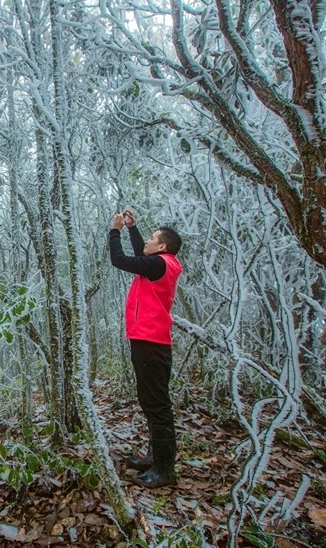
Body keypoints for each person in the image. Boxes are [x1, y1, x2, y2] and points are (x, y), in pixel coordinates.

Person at [109, 209, 182, 488]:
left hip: (151, 341)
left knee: (156, 404)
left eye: (152, 238)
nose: (146, 242)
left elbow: (121, 259)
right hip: (150, 339)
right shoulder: (163, 263)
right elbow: (142, 253)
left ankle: (164, 470)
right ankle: (157, 457)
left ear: (162, 247)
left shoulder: (159, 264)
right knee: (152, 401)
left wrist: (114, 230)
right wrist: (133, 227)